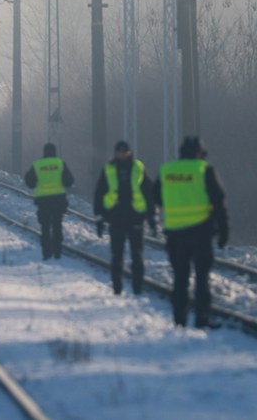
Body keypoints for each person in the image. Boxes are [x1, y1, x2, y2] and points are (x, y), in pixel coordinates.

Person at [153, 136, 229, 329]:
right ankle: (201, 318)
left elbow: (156, 197)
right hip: (200, 232)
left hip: (175, 233)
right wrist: (223, 231)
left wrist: (174, 204)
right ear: (201, 153)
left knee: (180, 278)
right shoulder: (204, 170)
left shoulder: (167, 170)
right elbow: (219, 202)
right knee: (202, 278)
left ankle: (179, 318)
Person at [93, 140, 156, 295]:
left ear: (129, 152)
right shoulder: (108, 169)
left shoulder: (138, 168)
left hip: (135, 216)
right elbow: (100, 192)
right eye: (119, 151)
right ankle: (117, 288)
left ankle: (137, 288)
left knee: (137, 255)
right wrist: (99, 217)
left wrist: (151, 217)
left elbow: (149, 192)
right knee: (117, 255)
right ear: (115, 153)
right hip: (116, 217)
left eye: (124, 151)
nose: (122, 154)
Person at [24, 142, 74, 260]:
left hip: (43, 201)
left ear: (44, 152)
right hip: (58, 200)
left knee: (45, 227)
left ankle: (47, 253)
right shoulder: (60, 163)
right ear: (55, 152)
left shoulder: (38, 164)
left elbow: (30, 182)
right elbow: (69, 181)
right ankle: (57, 252)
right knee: (57, 225)